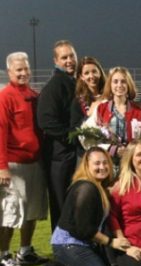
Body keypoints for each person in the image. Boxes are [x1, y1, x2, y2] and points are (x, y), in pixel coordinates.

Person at [42, 147, 130, 266]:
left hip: (85, 243)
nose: (102, 167)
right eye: (97, 164)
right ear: (86, 166)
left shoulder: (97, 186)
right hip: (69, 244)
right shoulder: (86, 189)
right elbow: (82, 229)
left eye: (105, 163)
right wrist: (111, 242)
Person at [0, 52, 48, 266]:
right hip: (14, 164)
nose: (23, 73)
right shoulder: (5, 96)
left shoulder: (33, 95)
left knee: (31, 210)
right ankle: (3, 255)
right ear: (9, 71)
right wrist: (2, 167)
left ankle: (25, 251)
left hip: (34, 162)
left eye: (26, 69)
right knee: (10, 212)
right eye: (18, 69)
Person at [37, 40, 78, 232]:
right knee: (61, 205)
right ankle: (63, 252)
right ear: (56, 60)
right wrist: (73, 136)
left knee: (74, 204)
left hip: (68, 155)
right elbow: (46, 121)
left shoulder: (72, 82)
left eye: (71, 56)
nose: (69, 60)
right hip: (59, 157)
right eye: (64, 57)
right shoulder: (54, 86)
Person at [95, 67, 141, 168]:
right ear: (110, 85)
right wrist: (114, 150)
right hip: (107, 162)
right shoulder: (102, 108)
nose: (119, 85)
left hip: (132, 162)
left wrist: (130, 150)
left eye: (123, 82)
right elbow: (95, 138)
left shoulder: (139, 110)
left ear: (128, 85)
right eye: (115, 82)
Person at [70, 56, 106, 158]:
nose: (91, 76)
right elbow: (74, 132)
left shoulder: (110, 96)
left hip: (110, 153)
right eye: (86, 73)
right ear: (81, 77)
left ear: (100, 72)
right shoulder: (78, 102)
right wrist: (88, 116)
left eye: (94, 71)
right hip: (86, 155)